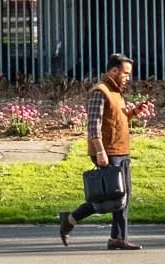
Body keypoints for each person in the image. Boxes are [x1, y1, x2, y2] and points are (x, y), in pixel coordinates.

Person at [59, 50, 141, 249]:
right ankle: (70, 219)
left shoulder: (116, 92)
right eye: (125, 73)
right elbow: (93, 125)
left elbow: (117, 120)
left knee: (122, 196)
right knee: (110, 197)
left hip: (121, 150)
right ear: (113, 71)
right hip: (108, 151)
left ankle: (117, 238)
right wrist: (100, 151)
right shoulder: (100, 91)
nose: (128, 78)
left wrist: (134, 113)